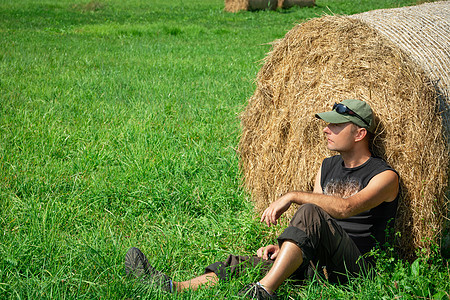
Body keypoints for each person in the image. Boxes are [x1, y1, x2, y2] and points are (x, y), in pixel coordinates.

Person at [125, 99, 399, 299]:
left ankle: (263, 292)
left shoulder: (384, 176)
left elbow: (345, 208)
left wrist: (292, 195)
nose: (326, 129)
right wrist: (288, 245)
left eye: (337, 125)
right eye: (327, 124)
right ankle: (171, 288)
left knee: (310, 209)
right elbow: (315, 224)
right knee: (243, 264)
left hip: (355, 268)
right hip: (319, 263)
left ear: (360, 133)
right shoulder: (327, 166)